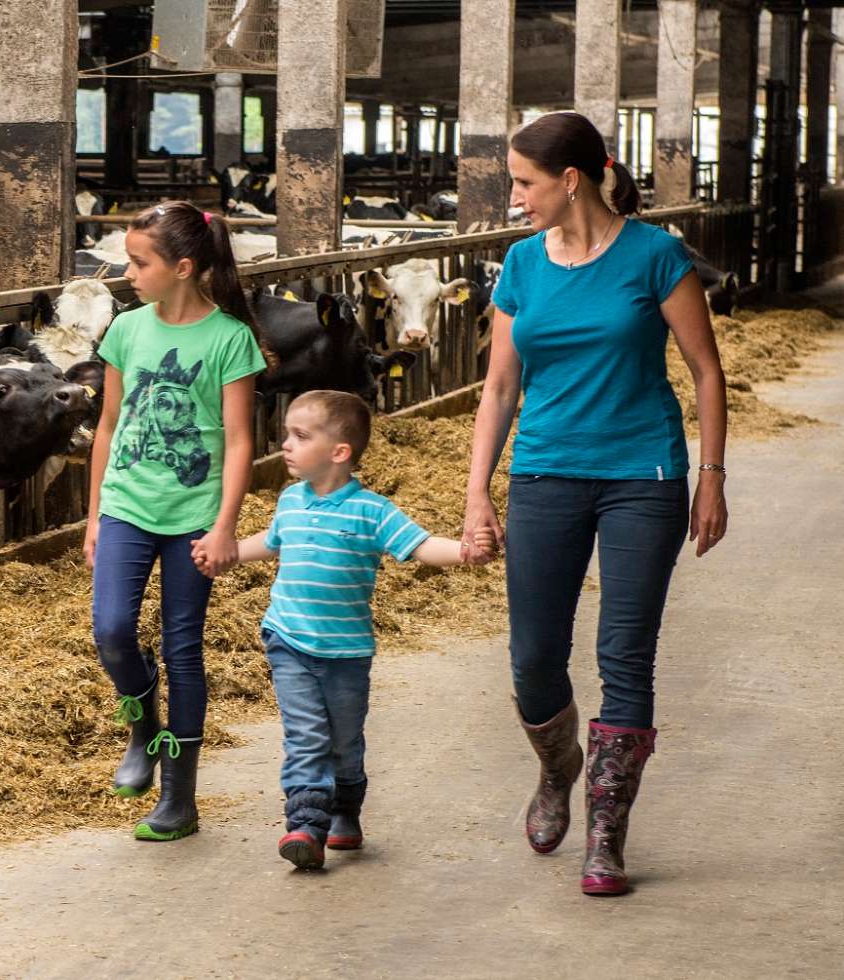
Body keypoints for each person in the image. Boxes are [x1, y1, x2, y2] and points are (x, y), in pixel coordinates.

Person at [463, 111, 729, 896]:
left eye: (524, 182)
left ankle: (606, 835)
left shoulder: (656, 255)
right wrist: (478, 490)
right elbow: (501, 385)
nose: (515, 198)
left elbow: (705, 370)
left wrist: (710, 476)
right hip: (545, 471)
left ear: (570, 179)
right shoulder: (520, 263)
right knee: (534, 657)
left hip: (642, 474)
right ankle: (558, 768)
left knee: (626, 653)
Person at [201, 390, 494, 869]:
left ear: (339, 452)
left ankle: (345, 811)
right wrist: (225, 552)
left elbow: (419, 547)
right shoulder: (289, 500)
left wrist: (465, 552)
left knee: (345, 741)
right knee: (306, 736)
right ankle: (305, 826)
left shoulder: (372, 511)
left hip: (346, 651)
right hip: (288, 640)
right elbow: (271, 543)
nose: (286, 445)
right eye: (286, 435)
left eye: (300, 436)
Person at [84, 200, 270, 841]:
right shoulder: (127, 330)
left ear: (183, 266)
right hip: (127, 508)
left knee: (182, 648)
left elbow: (241, 440)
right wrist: (93, 518)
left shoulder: (229, 339)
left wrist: (225, 526)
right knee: (111, 631)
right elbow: (108, 426)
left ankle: (178, 797)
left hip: (193, 515)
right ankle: (141, 724)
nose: (128, 273)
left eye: (140, 262)